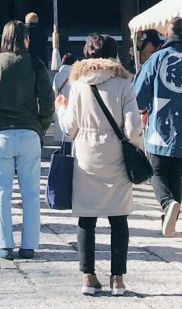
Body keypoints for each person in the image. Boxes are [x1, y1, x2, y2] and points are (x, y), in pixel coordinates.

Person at [57, 33, 144, 297]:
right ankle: (117, 279)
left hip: (85, 154)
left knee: (87, 217)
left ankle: (88, 276)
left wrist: (60, 108)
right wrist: (138, 149)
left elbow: (69, 127)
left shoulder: (78, 86)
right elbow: (132, 129)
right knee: (118, 217)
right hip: (116, 156)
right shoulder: (123, 85)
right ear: (113, 55)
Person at [0, 19, 54, 259]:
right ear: (25, 39)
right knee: (31, 194)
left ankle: (4, 245)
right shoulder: (35, 64)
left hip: (0, 133)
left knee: (2, 192)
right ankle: (29, 245)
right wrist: (40, 127)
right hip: (29, 132)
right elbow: (47, 100)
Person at [132, 17, 182, 235]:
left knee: (156, 172)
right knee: (175, 174)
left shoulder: (156, 60)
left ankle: (167, 204)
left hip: (160, 127)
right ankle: (170, 220)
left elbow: (138, 99)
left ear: (166, 36)